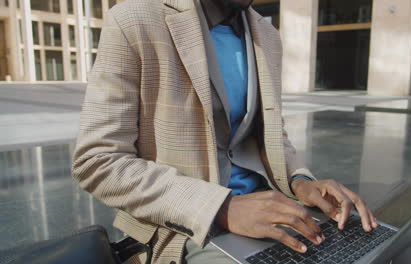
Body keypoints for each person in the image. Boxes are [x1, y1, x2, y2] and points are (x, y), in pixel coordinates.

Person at [72, 0, 378, 263]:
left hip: (269, 207)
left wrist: (301, 181)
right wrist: (219, 207)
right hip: (184, 226)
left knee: (369, 245)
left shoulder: (267, 35)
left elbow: (272, 134)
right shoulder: (133, 20)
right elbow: (98, 161)